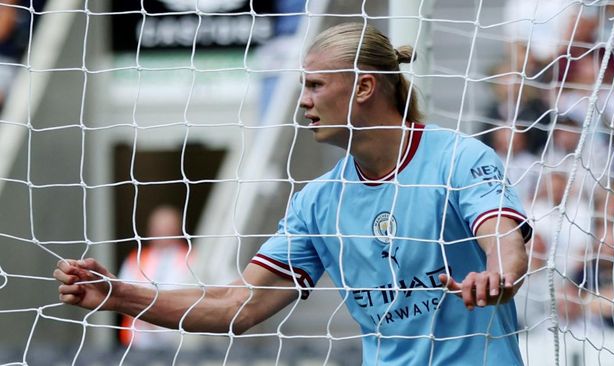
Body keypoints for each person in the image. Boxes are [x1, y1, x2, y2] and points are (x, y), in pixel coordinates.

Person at [55, 23, 532, 365]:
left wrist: (497, 276)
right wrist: (117, 295)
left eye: (315, 85)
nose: (303, 101)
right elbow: (236, 307)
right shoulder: (317, 202)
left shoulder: (459, 157)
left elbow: (502, 237)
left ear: (364, 86)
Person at [117, 205, 193, 349]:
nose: (161, 231)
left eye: (167, 226)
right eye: (157, 226)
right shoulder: (136, 258)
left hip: (179, 344)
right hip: (138, 343)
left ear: (178, 228)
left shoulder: (191, 258)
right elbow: (120, 295)